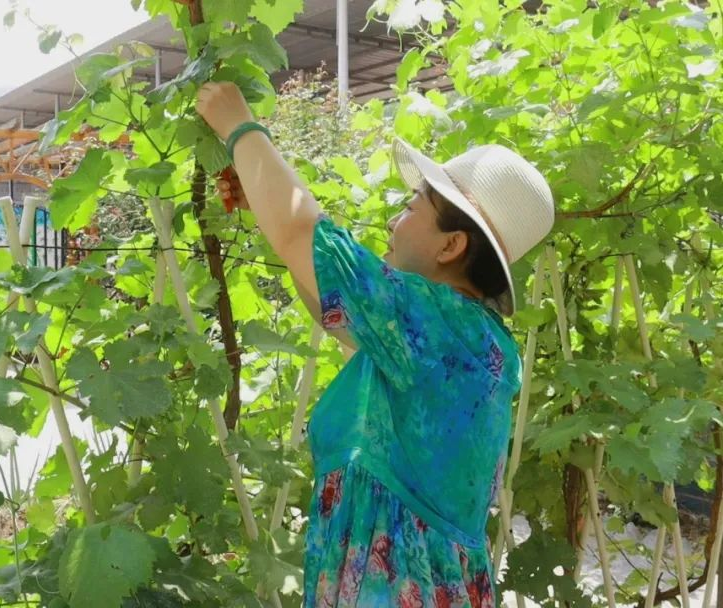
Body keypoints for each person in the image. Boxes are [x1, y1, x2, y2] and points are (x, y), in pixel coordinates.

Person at [196, 81, 555, 607]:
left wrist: (240, 127)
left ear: (452, 246)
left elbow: (305, 236)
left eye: (411, 208)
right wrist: (262, 198)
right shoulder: (466, 341)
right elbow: (334, 309)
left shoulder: (441, 327)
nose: (393, 220)